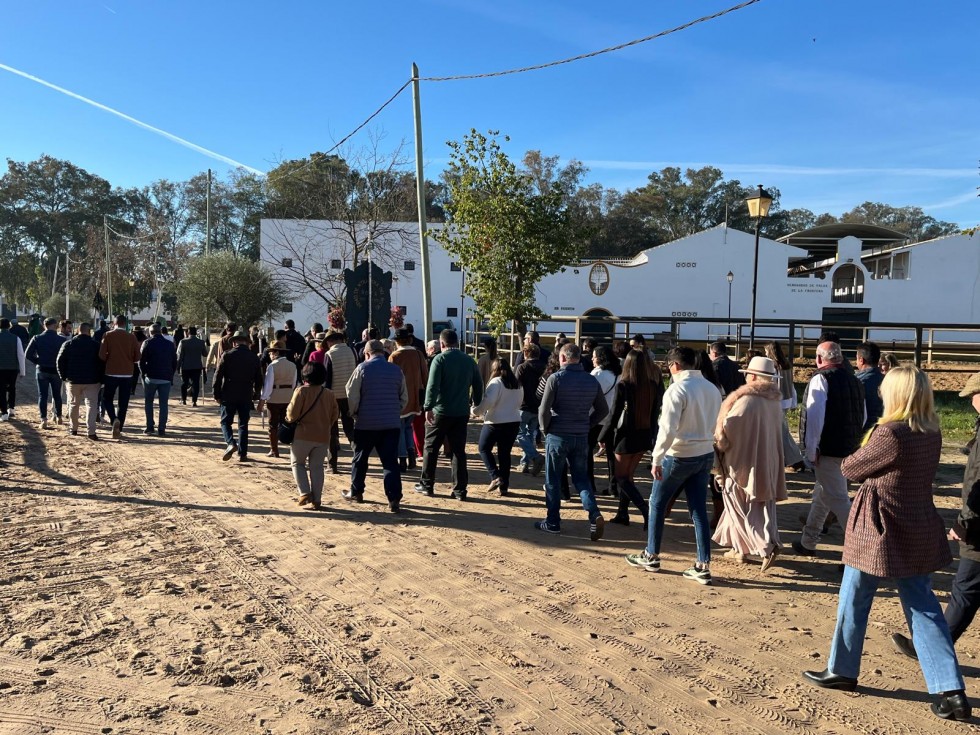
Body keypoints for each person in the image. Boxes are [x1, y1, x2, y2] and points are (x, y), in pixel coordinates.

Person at [802, 366, 970, 722]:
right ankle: (951, 690)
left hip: (877, 527)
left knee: (854, 597)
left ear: (896, 394)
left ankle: (842, 669)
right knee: (924, 607)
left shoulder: (890, 432)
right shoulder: (931, 430)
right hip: (916, 523)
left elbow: (849, 469)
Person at [892, 371, 980, 668]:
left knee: (965, 590)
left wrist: (964, 523)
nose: (970, 402)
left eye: (973, 396)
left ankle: (929, 647)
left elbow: (978, 483)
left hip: (979, 528)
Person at [625, 346, 722, 584]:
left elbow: (667, 429)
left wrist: (657, 458)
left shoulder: (676, 389)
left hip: (678, 454)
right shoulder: (712, 388)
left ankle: (651, 554)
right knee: (698, 509)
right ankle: (702, 564)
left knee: (657, 503)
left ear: (674, 365)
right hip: (704, 453)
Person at [711, 356, 788, 570]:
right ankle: (739, 549)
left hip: (742, 464)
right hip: (767, 463)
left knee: (737, 506)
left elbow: (728, 429)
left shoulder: (746, 401)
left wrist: (719, 440)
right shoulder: (773, 402)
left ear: (752, 376)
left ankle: (766, 546)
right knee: (756, 507)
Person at [793, 341, 865, 558]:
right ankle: (808, 541)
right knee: (823, 495)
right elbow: (862, 416)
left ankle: (861, 550)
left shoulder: (821, 379)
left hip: (828, 450)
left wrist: (810, 449)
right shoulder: (854, 380)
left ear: (819, 358)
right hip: (849, 448)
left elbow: (814, 418)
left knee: (839, 500)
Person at [534, 343, 608, 539]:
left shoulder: (555, 378)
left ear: (562, 358)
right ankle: (594, 513)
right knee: (581, 479)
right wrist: (588, 424)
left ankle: (553, 521)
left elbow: (543, 410)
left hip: (558, 435)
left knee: (553, 480)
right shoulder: (591, 380)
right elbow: (603, 409)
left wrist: (544, 430)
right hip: (581, 436)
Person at [415, 329, 483, 500]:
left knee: (431, 447)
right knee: (458, 451)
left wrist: (428, 407)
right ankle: (460, 489)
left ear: (442, 343)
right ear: (457, 342)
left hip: (441, 410)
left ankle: (427, 484)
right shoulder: (469, 360)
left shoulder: (440, 359)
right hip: (461, 411)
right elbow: (478, 384)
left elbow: (432, 386)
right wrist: (476, 402)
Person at [604, 350, 663, 528]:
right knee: (628, 477)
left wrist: (602, 435)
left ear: (627, 364)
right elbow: (655, 414)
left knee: (621, 477)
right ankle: (622, 513)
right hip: (644, 435)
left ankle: (645, 510)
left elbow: (614, 414)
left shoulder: (624, 385)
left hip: (626, 437)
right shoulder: (652, 385)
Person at [346, 339, 408, 511]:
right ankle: (393, 498)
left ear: (367, 354)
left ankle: (356, 491)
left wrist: (354, 413)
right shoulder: (396, 370)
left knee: (360, 459)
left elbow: (352, 395)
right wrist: (395, 410)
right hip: (391, 424)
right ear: (384, 352)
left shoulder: (362, 369)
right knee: (390, 462)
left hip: (366, 423)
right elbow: (404, 397)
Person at [286, 361, 339, 510]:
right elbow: (335, 415)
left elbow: (292, 414)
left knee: (298, 463)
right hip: (322, 436)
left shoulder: (301, 391)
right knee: (317, 467)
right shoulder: (329, 394)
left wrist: (288, 419)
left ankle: (304, 492)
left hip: (302, 434)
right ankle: (317, 499)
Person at [472, 359, 522, 496]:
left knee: (483, 448)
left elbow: (488, 402)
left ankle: (495, 476)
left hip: (495, 421)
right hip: (513, 420)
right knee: (504, 454)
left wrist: (475, 411)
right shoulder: (517, 383)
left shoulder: (496, 382)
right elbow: (519, 402)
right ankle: (504, 486)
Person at [213, 330, 263, 462]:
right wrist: (256, 394)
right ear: (247, 342)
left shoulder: (227, 355)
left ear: (234, 342)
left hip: (229, 392)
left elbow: (218, 376)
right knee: (243, 424)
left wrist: (216, 394)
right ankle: (243, 454)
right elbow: (259, 379)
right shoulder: (254, 357)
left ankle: (230, 442)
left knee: (225, 422)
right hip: (246, 392)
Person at [389, 328, 428, 471]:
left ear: (397, 341)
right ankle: (412, 456)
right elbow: (425, 376)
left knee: (400, 429)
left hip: (399, 398)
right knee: (408, 427)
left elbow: (390, 378)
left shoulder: (394, 356)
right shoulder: (418, 354)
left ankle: (403, 459)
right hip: (416, 398)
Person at [55, 322, 104, 439]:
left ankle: (74, 429)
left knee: (73, 404)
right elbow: (102, 362)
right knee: (92, 405)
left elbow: (59, 361)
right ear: (89, 331)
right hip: (92, 380)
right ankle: (91, 431)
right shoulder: (96, 345)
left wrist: (63, 377)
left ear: (78, 330)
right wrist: (101, 378)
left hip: (73, 380)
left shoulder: (68, 344)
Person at [765, 341, 806, 471]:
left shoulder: (773, 366)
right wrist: (793, 401)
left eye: (766, 351)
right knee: (781, 431)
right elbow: (791, 385)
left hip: (777, 402)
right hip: (786, 400)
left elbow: (773, 384)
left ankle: (795, 460)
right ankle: (790, 459)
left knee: (782, 433)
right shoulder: (786, 365)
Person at [99, 315, 141, 439]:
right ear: (125, 323)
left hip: (111, 372)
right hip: (127, 373)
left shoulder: (108, 335)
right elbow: (138, 357)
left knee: (107, 398)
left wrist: (110, 359)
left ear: (114, 323)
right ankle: (119, 427)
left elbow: (101, 355)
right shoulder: (132, 337)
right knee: (123, 402)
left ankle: (113, 419)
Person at [25, 317, 67, 428]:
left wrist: (37, 361)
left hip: (42, 369)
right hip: (56, 370)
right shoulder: (62, 340)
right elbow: (65, 356)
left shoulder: (37, 338)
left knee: (42, 395)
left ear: (44, 325)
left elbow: (28, 354)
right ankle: (59, 416)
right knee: (57, 395)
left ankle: (43, 419)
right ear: (55, 325)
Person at [325, 331, 358, 473]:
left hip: (333, 396)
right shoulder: (352, 351)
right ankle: (358, 456)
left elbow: (327, 378)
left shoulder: (329, 354)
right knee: (349, 428)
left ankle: (332, 464)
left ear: (331, 341)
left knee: (331, 430)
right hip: (349, 395)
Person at [590, 345, 620, 496]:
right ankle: (613, 486)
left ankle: (590, 484)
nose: (592, 359)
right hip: (613, 419)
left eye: (594, 356)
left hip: (596, 418)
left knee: (588, 452)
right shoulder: (617, 374)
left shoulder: (597, 374)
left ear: (600, 358)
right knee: (612, 455)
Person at [257, 345, 297, 458]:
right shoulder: (293, 365)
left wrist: (262, 400)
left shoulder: (272, 366)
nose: (270, 355)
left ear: (276, 353)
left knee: (273, 425)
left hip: (274, 398)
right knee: (287, 423)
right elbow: (294, 383)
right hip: (288, 397)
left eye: (271, 353)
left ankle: (274, 450)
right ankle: (293, 449)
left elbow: (268, 385)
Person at [514, 343, 547, 476]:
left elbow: (516, 385)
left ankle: (535, 457)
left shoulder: (522, 367)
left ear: (526, 353)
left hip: (524, 405)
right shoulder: (545, 368)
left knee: (519, 434)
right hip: (539, 406)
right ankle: (524, 462)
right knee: (530, 435)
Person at [139, 322, 177, 436]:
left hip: (151, 377)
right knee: (163, 404)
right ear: (160, 331)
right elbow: (174, 361)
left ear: (150, 332)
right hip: (166, 377)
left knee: (149, 402)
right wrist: (171, 375)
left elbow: (141, 361)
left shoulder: (147, 343)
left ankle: (150, 426)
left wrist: (144, 373)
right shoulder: (169, 344)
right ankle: (162, 429)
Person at [0, 317, 27, 421]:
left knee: (1, 390)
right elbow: (21, 355)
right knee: (12, 388)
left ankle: (3, 413)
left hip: (1, 368)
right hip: (13, 368)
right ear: (9, 326)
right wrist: (22, 371)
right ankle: (11, 408)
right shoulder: (16, 338)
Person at [855, 341, 884, 430]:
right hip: (883, 428)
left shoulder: (856, 382)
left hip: (863, 430)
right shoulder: (887, 380)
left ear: (861, 360)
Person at [176, 326, 207, 406]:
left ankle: (184, 399)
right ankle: (194, 401)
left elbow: (180, 356)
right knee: (196, 384)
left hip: (185, 366)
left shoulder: (183, 342)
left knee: (184, 383)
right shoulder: (201, 342)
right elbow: (205, 354)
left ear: (188, 333)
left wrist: (178, 366)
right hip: (197, 366)